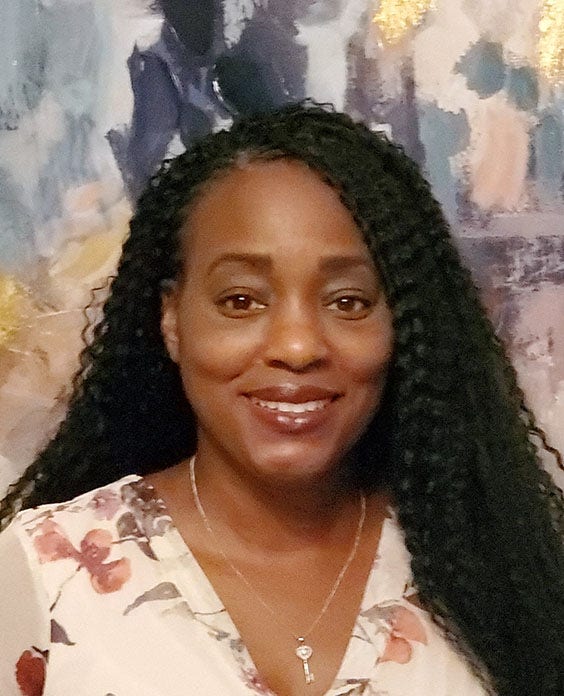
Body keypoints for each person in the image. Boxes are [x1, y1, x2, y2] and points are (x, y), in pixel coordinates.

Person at [0, 103, 563, 696]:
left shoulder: (499, 571)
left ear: (402, 327)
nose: (297, 347)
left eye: (348, 302)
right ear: (171, 319)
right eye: (241, 301)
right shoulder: (42, 574)